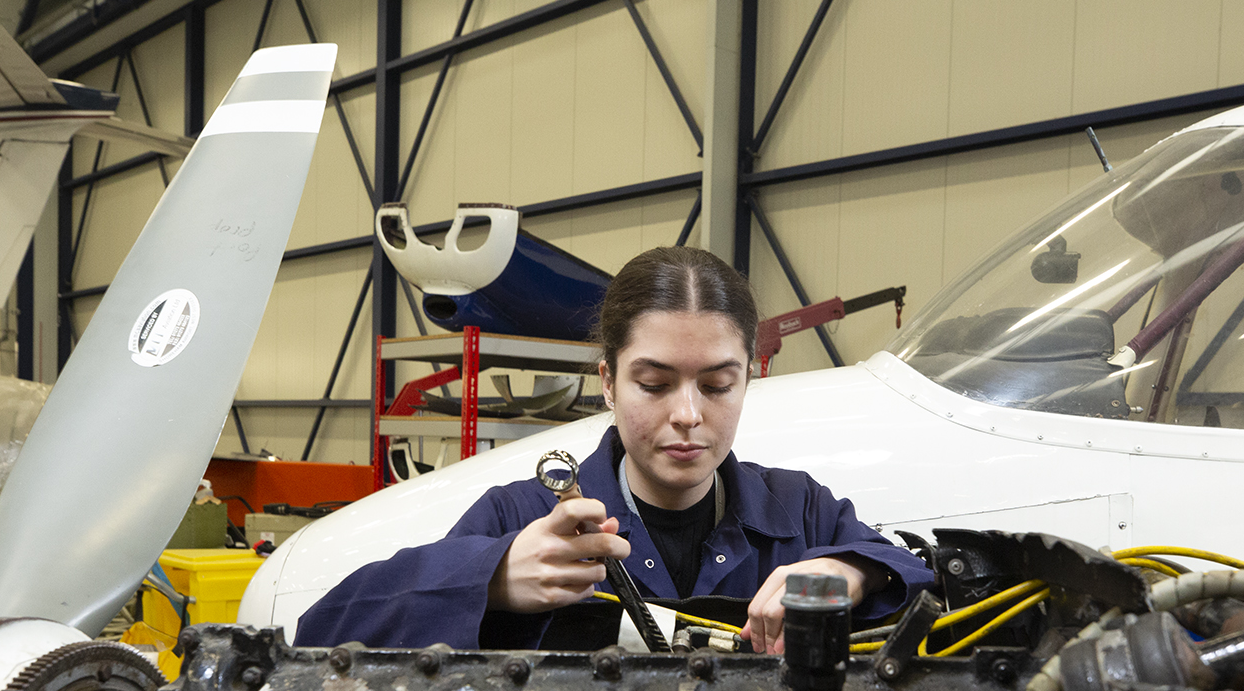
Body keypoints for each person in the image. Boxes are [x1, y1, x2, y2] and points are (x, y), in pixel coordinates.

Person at [295, 246, 934, 652]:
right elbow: (327, 628)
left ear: (749, 380)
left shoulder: (799, 513)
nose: (687, 415)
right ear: (607, 381)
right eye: (654, 384)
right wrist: (489, 580)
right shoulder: (518, 520)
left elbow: (926, 583)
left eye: (718, 385)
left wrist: (850, 572)